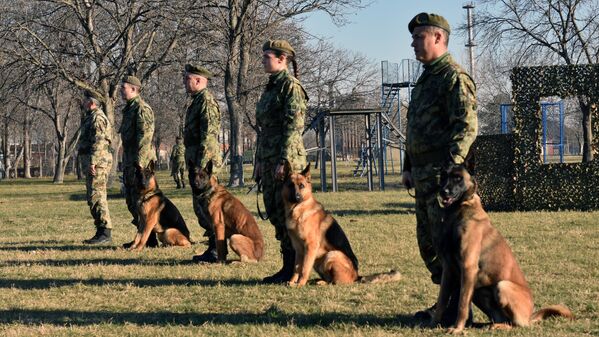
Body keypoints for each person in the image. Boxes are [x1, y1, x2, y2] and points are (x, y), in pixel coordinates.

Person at [401, 13, 478, 321]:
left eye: (419, 37)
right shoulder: (426, 79)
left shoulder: (453, 78)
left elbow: (466, 127)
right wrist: (408, 165)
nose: (413, 43)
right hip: (422, 175)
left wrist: (450, 174)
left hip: (442, 180)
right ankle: (446, 302)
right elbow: (414, 128)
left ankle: (460, 309)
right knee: (429, 244)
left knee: (447, 245)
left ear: (438, 38)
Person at [254, 40, 308, 283]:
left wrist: (283, 161)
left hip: (285, 161)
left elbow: (294, 127)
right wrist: (259, 160)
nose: (264, 60)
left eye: (267, 56)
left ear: (282, 59)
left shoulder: (290, 87)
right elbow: (264, 129)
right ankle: (287, 265)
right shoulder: (271, 87)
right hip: (268, 157)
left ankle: (294, 268)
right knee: (274, 211)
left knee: (289, 213)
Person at [182, 64, 223, 263]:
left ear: (198, 80)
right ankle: (213, 247)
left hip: (204, 167)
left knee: (209, 208)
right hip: (197, 165)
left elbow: (208, 136)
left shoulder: (205, 101)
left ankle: (217, 250)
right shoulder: (196, 101)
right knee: (201, 210)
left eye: (187, 78)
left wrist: (202, 167)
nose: (184, 82)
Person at [119, 75, 159, 248]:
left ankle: (150, 238)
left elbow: (145, 138)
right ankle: (143, 236)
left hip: (140, 164)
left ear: (134, 89)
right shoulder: (129, 109)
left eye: (124, 88)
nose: (121, 91)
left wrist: (140, 165)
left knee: (144, 202)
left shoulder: (142, 109)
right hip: (130, 161)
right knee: (131, 201)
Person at [79, 90, 114, 244]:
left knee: (97, 195)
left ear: (92, 102)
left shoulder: (98, 118)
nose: (83, 102)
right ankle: (100, 229)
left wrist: (93, 161)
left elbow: (99, 142)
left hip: (98, 162)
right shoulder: (91, 117)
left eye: (85, 100)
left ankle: (105, 231)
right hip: (92, 162)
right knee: (92, 197)